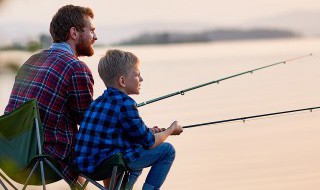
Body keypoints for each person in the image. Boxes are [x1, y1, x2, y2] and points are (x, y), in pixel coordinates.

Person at [4, 4, 97, 188]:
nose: (95, 36)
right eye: (91, 30)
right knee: (111, 148)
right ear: (74, 33)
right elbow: (89, 124)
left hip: (11, 158)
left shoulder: (31, 60)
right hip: (43, 162)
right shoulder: (75, 68)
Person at [74, 49, 183, 190]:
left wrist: (150, 131)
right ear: (122, 81)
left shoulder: (97, 102)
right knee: (167, 151)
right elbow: (149, 142)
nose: (141, 79)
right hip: (107, 165)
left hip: (85, 166)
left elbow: (122, 132)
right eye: (137, 75)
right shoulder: (125, 103)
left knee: (136, 148)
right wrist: (170, 130)